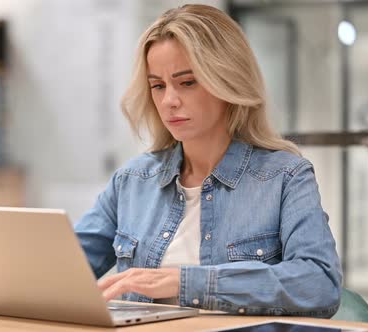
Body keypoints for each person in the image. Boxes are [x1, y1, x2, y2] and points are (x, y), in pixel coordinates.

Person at [74, 5, 342, 317]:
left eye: (187, 82)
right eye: (158, 86)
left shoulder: (285, 177)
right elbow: (63, 269)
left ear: (227, 81)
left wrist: (185, 282)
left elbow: (319, 285)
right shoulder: (132, 181)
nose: (169, 101)